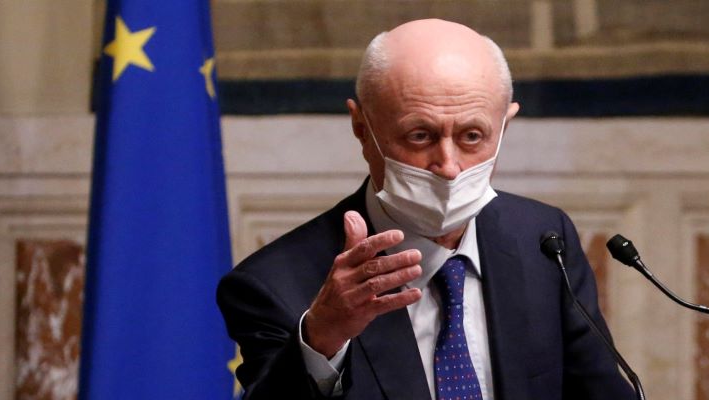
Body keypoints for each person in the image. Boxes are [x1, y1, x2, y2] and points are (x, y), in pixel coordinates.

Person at [217, 19, 634, 400]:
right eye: (420, 135)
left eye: (472, 136)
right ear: (362, 128)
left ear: (505, 127)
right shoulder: (275, 285)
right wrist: (322, 338)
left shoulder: (543, 241)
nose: (449, 166)